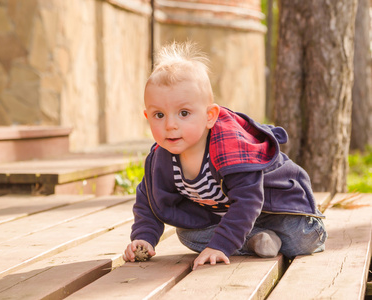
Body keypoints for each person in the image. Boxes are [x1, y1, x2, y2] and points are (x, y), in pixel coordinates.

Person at [123, 41, 327, 271]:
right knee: (188, 236)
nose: (170, 125)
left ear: (210, 116)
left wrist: (220, 245)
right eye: (159, 114)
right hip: (230, 218)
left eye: (184, 113)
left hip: (277, 209)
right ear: (147, 117)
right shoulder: (161, 160)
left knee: (302, 240)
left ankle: (251, 237)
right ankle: (255, 240)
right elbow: (149, 199)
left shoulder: (229, 148)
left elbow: (249, 199)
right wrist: (143, 237)